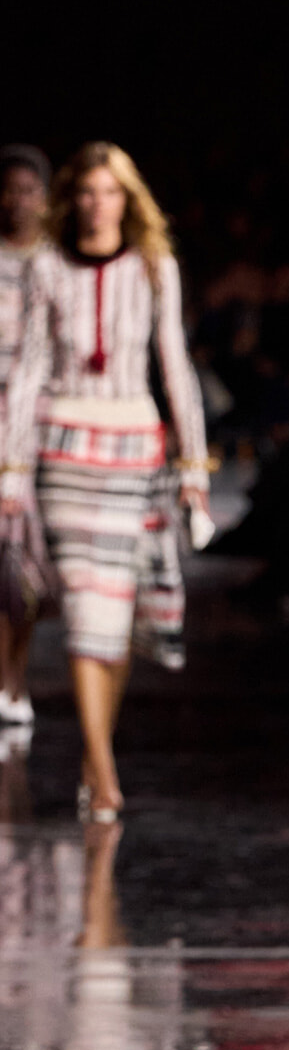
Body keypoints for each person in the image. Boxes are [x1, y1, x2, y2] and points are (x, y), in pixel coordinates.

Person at [0, 142, 210, 821]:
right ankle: (106, 771)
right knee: (88, 612)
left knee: (113, 618)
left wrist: (192, 467)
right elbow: (29, 372)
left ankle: (95, 761)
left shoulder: (154, 267)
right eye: (86, 192)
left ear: (128, 198)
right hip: (63, 449)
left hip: (131, 451)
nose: (97, 204)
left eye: (109, 191)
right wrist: (12, 468)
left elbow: (175, 366)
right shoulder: (47, 269)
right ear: (73, 200)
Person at [0, 144, 52, 730]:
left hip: (40, 419)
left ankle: (18, 670)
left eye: (29, 190)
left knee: (30, 560)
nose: (18, 200)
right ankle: (6, 680)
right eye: (10, 189)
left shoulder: (54, 261)